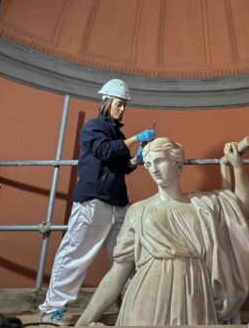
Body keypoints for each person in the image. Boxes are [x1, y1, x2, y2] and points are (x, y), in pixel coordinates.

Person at [76, 137, 249, 326]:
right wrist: (84, 321)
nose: (153, 169)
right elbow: (118, 272)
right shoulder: (138, 210)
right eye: (148, 164)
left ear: (176, 162)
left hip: (193, 294)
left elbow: (245, 209)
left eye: (159, 161)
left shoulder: (203, 205)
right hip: (147, 295)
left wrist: (238, 168)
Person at [38, 79, 155, 324]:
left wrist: (136, 160)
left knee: (126, 257)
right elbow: (104, 151)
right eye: (119, 104)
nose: (122, 109)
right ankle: (52, 309)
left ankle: (135, 305)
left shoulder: (118, 134)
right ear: (106, 101)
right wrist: (135, 139)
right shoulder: (93, 127)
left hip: (117, 204)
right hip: (93, 202)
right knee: (75, 254)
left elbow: (121, 166)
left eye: (124, 105)